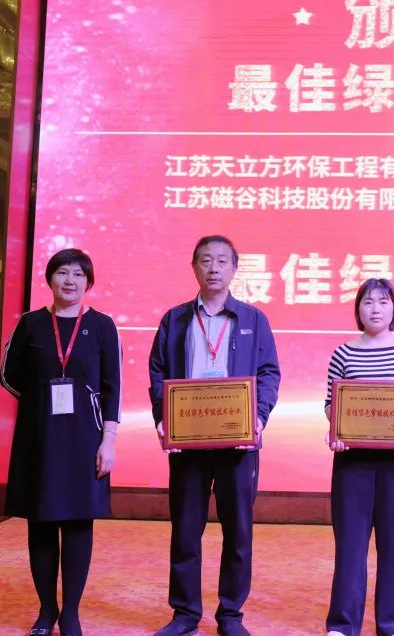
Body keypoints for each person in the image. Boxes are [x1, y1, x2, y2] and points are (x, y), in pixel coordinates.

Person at [149, 235, 280, 636]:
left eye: (222, 261)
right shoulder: (175, 319)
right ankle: (185, 613)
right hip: (188, 442)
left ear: (234, 269)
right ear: (194, 267)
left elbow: (269, 373)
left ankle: (231, 614)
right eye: (206, 260)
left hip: (238, 443)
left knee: (237, 530)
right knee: (186, 529)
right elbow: (158, 370)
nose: (214, 268)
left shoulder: (253, 319)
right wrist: (163, 416)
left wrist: (258, 417)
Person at [2, 248, 121, 636]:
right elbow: (9, 375)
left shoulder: (102, 326)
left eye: (78, 274)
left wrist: (108, 440)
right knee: (40, 521)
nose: (70, 281)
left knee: (77, 524)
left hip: (86, 439)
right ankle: (46, 610)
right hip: (39, 437)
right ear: (49, 278)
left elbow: (112, 387)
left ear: (89, 282)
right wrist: (41, 400)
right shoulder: (30, 324)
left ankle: (70, 613)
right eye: (62, 273)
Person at [324, 278, 394, 636]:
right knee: (350, 546)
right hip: (352, 462)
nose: (375, 309)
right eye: (368, 302)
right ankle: (343, 624)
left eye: (383, 302)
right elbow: (331, 404)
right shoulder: (343, 353)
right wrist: (338, 431)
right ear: (358, 309)